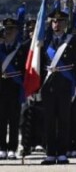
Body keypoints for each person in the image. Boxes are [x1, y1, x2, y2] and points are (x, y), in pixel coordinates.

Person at [40, 9, 76, 165]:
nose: (56, 24)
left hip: (65, 84)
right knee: (49, 120)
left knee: (64, 119)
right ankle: (50, 152)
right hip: (48, 84)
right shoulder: (44, 40)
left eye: (60, 22)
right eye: (54, 21)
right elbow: (39, 64)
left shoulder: (72, 41)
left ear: (65, 24)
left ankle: (63, 153)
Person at [0, 18, 26, 161]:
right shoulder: (0, 48)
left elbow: (25, 71)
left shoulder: (21, 49)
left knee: (14, 120)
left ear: (16, 32)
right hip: (1, 88)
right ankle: (2, 148)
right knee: (1, 120)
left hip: (15, 88)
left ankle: (12, 148)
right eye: (6, 30)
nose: (8, 32)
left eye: (11, 30)